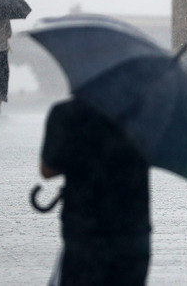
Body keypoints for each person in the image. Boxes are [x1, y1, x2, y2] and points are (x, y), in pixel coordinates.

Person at [40, 98, 151, 286]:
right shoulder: (142, 118)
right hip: (133, 237)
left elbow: (47, 169)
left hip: (84, 236)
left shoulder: (66, 114)